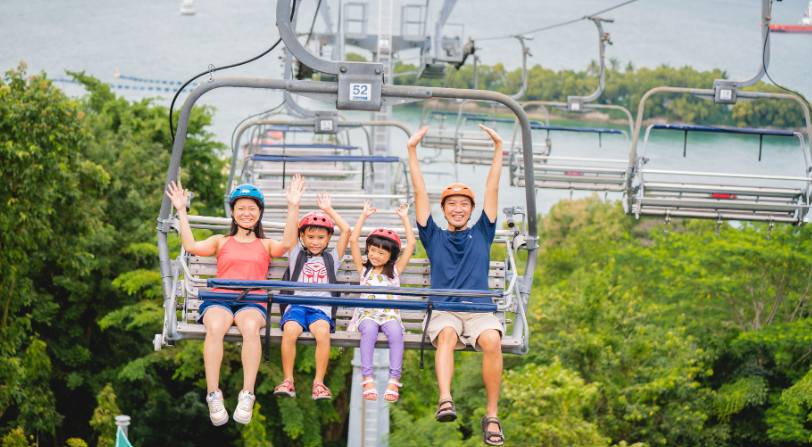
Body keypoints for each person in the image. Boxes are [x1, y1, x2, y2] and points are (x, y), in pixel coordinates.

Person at [165, 174, 304, 426]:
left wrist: (293, 205)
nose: (246, 213)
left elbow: (288, 243)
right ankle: (213, 394)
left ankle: (247, 393)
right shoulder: (221, 241)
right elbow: (191, 245)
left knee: (250, 328)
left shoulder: (266, 244)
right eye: (241, 208)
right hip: (220, 299)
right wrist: (181, 211)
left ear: (259, 213)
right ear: (232, 212)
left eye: (252, 208)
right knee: (215, 327)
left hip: (252, 301)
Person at [407, 124, 506, 446]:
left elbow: (492, 188)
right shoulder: (433, 236)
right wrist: (412, 151)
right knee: (447, 335)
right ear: (443, 209)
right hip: (444, 310)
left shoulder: (483, 232)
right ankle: (445, 399)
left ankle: (491, 415)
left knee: (492, 339)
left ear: (472, 210)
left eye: (464, 204)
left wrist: (498, 148)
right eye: (452, 204)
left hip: (479, 311)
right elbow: (420, 192)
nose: (458, 209)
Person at [273, 194, 351, 400]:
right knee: (290, 330)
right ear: (302, 236)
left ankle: (319, 382)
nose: (315, 242)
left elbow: (346, 230)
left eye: (321, 237)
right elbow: (290, 231)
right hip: (297, 306)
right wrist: (294, 204)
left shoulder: (332, 259)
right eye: (310, 237)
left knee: (323, 333)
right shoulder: (296, 255)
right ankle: (288, 380)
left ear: (328, 238)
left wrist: (328, 210)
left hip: (320, 309)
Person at [347, 200, 416, 402]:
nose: (375, 255)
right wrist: (363, 216)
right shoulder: (364, 270)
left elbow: (411, 244)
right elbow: (353, 241)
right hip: (367, 315)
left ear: (391, 256)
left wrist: (405, 219)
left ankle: (394, 380)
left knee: (396, 334)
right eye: (372, 250)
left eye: (381, 253)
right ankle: (367, 378)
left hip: (389, 315)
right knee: (368, 332)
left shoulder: (395, 271)